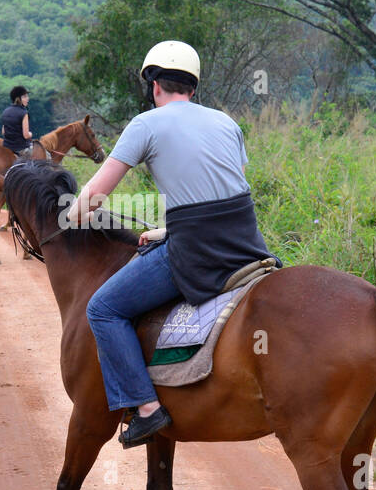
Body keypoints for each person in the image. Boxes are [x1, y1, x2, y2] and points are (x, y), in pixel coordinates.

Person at [64, 41, 278, 448]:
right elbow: (218, 192)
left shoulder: (145, 124)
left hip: (196, 251)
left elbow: (93, 200)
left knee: (103, 308)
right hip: (248, 242)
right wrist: (166, 231)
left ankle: (145, 408)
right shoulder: (227, 123)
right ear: (193, 89)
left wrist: (75, 213)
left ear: (154, 85)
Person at [0, 85, 33, 156]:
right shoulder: (24, 113)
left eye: (27, 96)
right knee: (46, 156)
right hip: (21, 149)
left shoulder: (6, 111)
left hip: (7, 147)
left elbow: (3, 132)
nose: (28, 99)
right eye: (24, 97)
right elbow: (26, 135)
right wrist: (30, 134)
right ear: (18, 98)